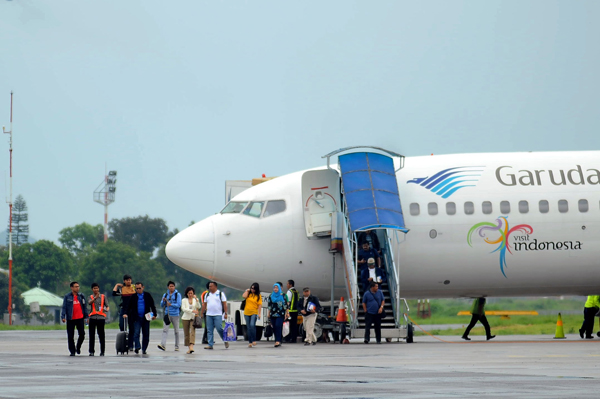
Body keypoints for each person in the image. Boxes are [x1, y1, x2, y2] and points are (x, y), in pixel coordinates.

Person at [124, 282, 157, 354]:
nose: (138, 290)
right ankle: (137, 346)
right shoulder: (133, 297)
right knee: (136, 333)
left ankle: (144, 349)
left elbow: (152, 306)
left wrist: (155, 314)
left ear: (143, 287)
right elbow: (128, 306)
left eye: (139, 288)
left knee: (146, 334)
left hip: (146, 317)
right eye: (137, 288)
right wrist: (125, 313)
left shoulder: (147, 295)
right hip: (136, 318)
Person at [61, 281, 89, 356]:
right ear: (72, 288)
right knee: (70, 336)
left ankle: (78, 346)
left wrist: (86, 316)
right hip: (71, 319)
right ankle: (72, 351)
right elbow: (64, 307)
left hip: (80, 318)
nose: (77, 288)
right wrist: (63, 316)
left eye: (78, 286)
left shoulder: (81, 296)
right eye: (76, 286)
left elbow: (84, 307)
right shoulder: (67, 297)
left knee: (82, 334)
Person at [202, 281, 229, 350]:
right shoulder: (207, 295)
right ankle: (210, 344)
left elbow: (224, 304)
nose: (209, 288)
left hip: (218, 314)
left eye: (211, 286)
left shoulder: (220, 294)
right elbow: (204, 304)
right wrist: (202, 313)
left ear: (215, 287)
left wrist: (226, 313)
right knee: (209, 330)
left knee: (219, 328)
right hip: (209, 314)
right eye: (209, 286)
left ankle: (225, 340)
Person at [112, 274, 135, 348]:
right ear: (124, 281)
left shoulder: (134, 287)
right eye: (127, 280)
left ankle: (131, 344)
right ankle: (123, 341)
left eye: (129, 280)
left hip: (132, 310)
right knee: (122, 325)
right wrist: (117, 285)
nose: (128, 281)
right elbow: (114, 293)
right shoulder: (122, 289)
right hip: (124, 309)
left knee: (132, 327)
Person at [158, 281, 182, 351]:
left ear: (174, 287)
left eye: (173, 286)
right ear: (168, 287)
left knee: (176, 331)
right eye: (170, 286)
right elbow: (162, 305)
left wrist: (171, 304)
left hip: (175, 315)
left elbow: (178, 304)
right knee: (165, 330)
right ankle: (163, 345)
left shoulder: (178, 295)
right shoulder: (165, 295)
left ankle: (177, 346)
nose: (171, 287)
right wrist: (163, 301)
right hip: (167, 314)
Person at [88, 283, 110, 356]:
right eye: (94, 288)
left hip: (101, 318)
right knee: (92, 335)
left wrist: (106, 309)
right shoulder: (90, 297)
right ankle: (91, 351)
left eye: (97, 288)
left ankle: (102, 351)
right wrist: (95, 298)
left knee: (101, 335)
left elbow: (107, 306)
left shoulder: (103, 297)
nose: (96, 290)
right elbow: (89, 303)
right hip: (93, 318)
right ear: (92, 289)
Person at [267, 283, 289, 347]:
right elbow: (269, 305)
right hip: (273, 313)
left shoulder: (283, 295)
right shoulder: (271, 295)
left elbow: (286, 305)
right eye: (274, 288)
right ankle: (277, 339)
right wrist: (268, 313)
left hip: (280, 313)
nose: (275, 289)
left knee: (278, 326)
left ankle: (278, 341)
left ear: (279, 288)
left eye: (277, 288)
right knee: (274, 327)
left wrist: (287, 313)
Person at [242, 282, 262, 347]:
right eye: (252, 288)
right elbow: (244, 296)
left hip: (254, 312)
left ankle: (254, 340)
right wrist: (247, 291)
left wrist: (259, 313)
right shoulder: (248, 294)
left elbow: (259, 305)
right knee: (248, 327)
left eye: (254, 289)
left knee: (252, 325)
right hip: (247, 312)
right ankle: (250, 342)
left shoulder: (258, 296)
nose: (252, 290)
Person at [181, 286, 200, 354]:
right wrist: (192, 311)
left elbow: (199, 307)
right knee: (187, 334)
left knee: (192, 332)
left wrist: (197, 300)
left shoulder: (195, 300)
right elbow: (184, 309)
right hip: (185, 318)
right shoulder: (184, 300)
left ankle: (192, 347)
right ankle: (189, 347)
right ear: (187, 294)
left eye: (191, 293)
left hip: (193, 318)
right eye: (189, 293)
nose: (190, 295)